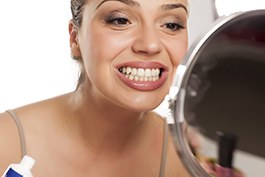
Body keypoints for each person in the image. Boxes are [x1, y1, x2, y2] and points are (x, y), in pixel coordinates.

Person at [0, 0, 190, 176]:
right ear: (75, 38)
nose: (150, 45)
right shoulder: (6, 142)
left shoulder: (189, 160)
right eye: (120, 20)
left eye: (171, 25)